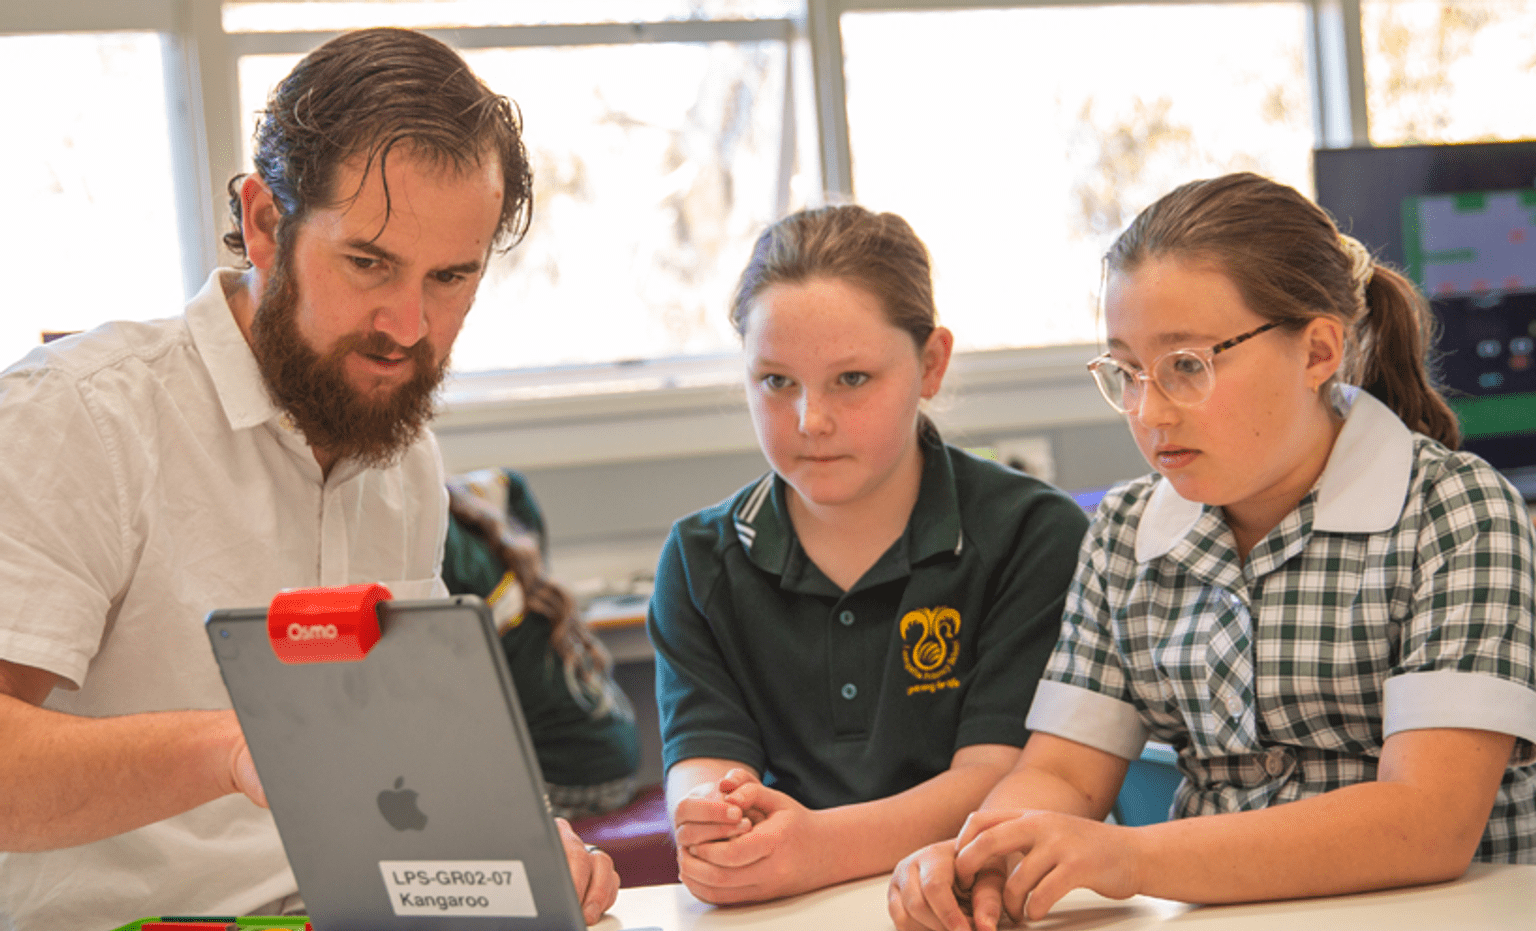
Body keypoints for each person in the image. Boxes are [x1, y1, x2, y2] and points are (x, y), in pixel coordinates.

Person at [0, 28, 616, 931]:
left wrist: (504, 851)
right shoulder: (79, 418)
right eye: (368, 263)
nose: (408, 325)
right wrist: (238, 747)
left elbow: (397, 776)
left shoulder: (401, 453)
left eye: (451, 277)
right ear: (263, 223)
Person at [888, 172, 1536, 931]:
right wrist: (981, 854)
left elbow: (1426, 821)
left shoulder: (1455, 510)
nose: (1148, 411)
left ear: (1319, 349)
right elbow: (1062, 770)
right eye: (1125, 372)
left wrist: (1127, 857)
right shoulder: (1126, 531)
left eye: (1187, 365)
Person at [647, 205, 1091, 905]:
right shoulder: (698, 559)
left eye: (851, 379)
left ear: (932, 364)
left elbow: (1001, 776)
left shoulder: (1033, 533)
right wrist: (714, 826)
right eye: (775, 381)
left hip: (979, 906)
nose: (810, 420)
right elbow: (706, 766)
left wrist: (816, 847)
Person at [443, 467, 642, 819]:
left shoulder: (445, 547)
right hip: (613, 756)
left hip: (572, 782)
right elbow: (512, 481)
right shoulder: (477, 518)